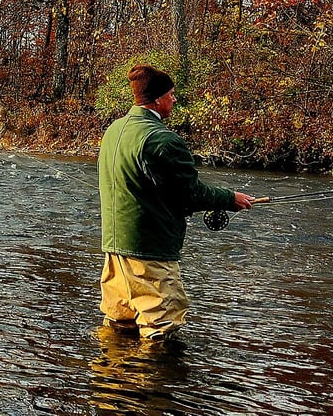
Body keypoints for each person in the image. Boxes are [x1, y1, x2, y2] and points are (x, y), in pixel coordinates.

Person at [97, 64, 255, 340]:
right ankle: (157, 382)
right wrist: (231, 199)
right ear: (157, 99)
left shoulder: (115, 130)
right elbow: (190, 195)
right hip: (149, 252)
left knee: (120, 322)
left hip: (115, 249)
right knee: (162, 327)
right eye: (171, 93)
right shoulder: (163, 140)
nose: (175, 98)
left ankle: (111, 377)